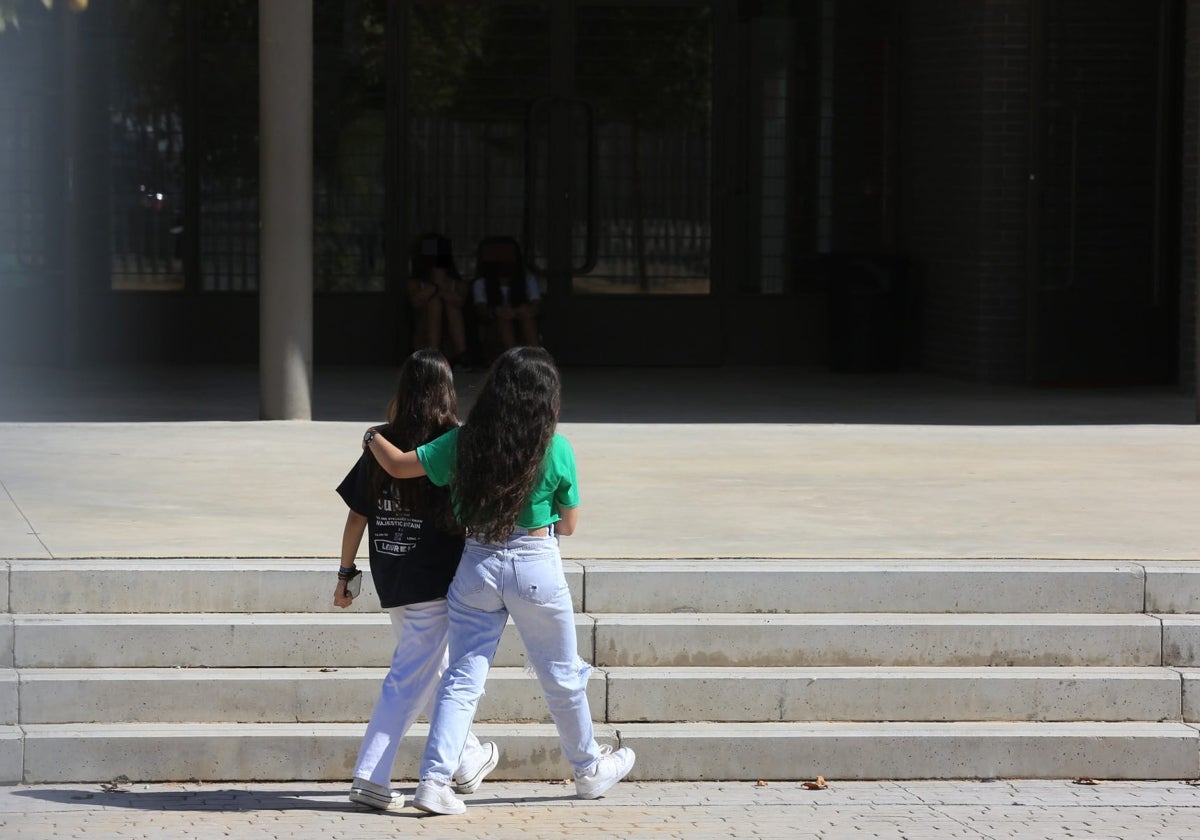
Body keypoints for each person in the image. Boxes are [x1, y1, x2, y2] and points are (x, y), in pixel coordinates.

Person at [363, 346, 635, 816]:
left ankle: (433, 781)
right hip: (536, 564)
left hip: (477, 565)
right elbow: (569, 526)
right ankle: (588, 769)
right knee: (561, 675)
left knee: (462, 678)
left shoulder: (465, 442)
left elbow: (400, 464)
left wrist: (372, 435)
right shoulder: (557, 448)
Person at [334, 349, 499, 812]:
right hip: (435, 580)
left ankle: (465, 760)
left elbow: (356, 515)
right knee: (411, 676)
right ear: (446, 391)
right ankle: (370, 777)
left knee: (431, 669)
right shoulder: (452, 441)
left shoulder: (380, 443)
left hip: (392, 576)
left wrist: (346, 573)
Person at [472, 236, 541, 356]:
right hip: (496, 324)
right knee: (503, 319)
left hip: (522, 318)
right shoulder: (481, 283)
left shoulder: (527, 279)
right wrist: (497, 311)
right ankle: (513, 358)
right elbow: (481, 311)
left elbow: (536, 305)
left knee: (527, 318)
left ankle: (537, 357)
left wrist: (521, 310)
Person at [407, 233, 468, 363]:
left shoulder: (457, 284)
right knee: (435, 303)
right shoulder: (416, 283)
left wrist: (441, 290)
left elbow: (460, 302)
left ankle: (461, 354)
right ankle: (434, 353)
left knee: (451, 305)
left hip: (450, 335)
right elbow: (416, 303)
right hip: (424, 334)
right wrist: (433, 289)